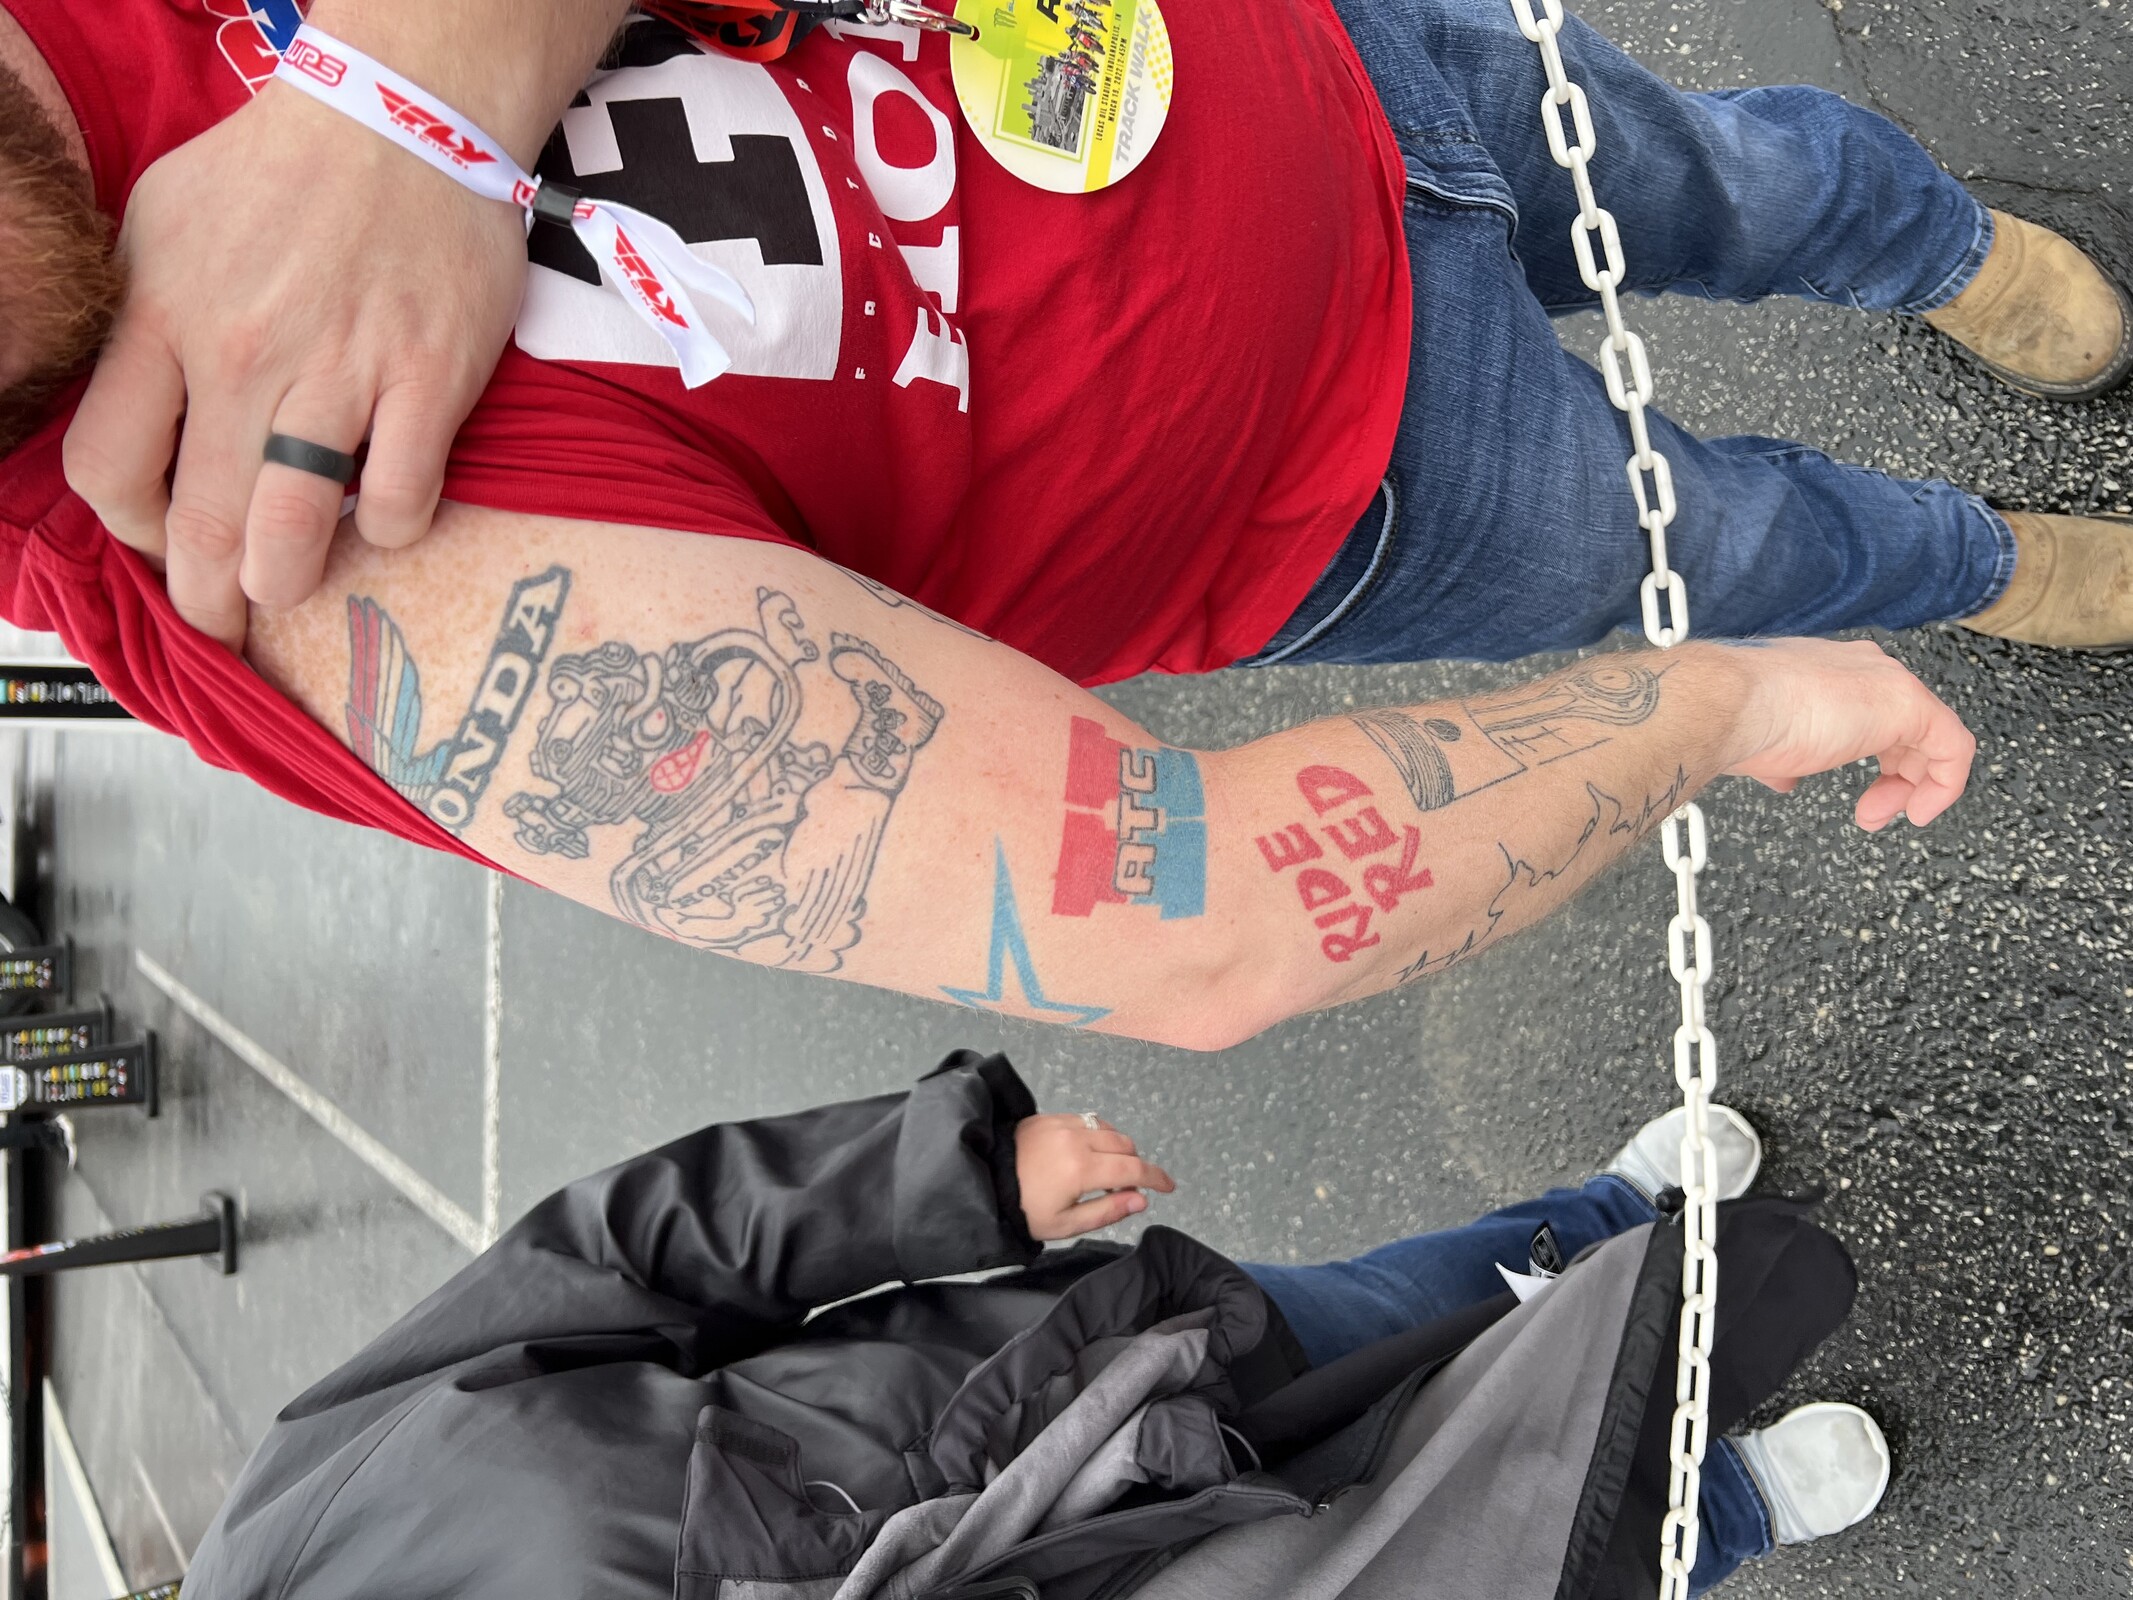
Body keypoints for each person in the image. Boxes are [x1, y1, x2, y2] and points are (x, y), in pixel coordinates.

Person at [184, 1051, 1887, 1599]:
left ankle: (1588, 1219)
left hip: (1059, 1385)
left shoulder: (303, 1507)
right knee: (1502, 1548)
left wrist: (962, 1177)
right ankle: (1716, 1512)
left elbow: (626, 1252)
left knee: (1395, 1310)